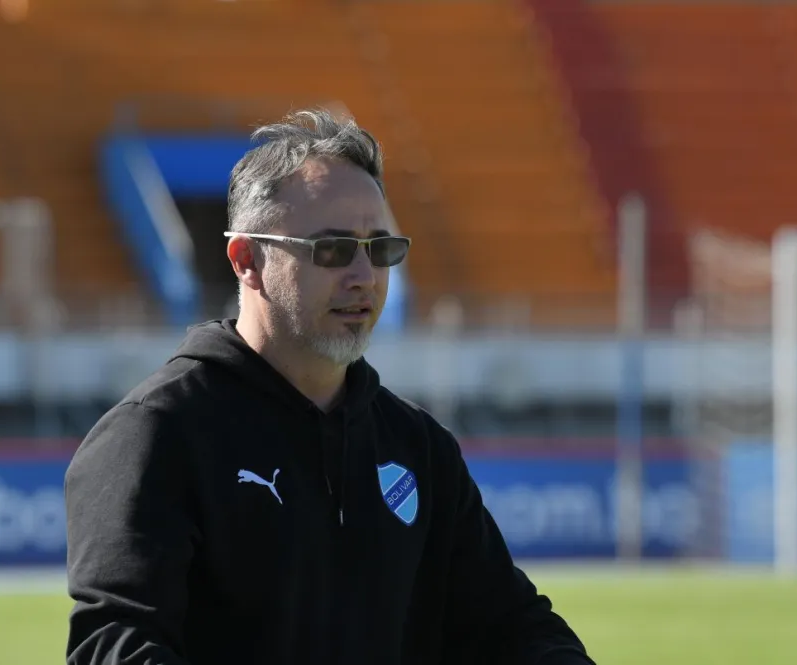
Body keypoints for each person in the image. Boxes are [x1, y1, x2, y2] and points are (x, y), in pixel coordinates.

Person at [64, 109, 596, 665]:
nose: (364, 277)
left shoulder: (417, 446)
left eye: (380, 249)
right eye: (334, 250)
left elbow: (511, 626)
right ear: (247, 259)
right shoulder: (153, 435)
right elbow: (119, 647)